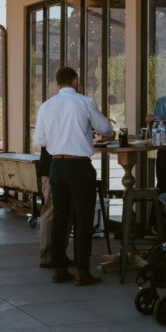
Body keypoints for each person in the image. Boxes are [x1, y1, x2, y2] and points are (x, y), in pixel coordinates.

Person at [33, 66, 114, 286]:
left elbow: (40, 139)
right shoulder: (85, 102)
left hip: (56, 165)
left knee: (60, 217)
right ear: (75, 81)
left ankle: (59, 268)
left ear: (57, 83)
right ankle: (82, 270)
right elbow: (105, 128)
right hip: (79, 166)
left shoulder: (47, 106)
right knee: (83, 218)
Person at [37, 146, 70, 268]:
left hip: (61, 167)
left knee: (65, 212)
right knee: (51, 210)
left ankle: (58, 254)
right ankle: (47, 256)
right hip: (51, 168)